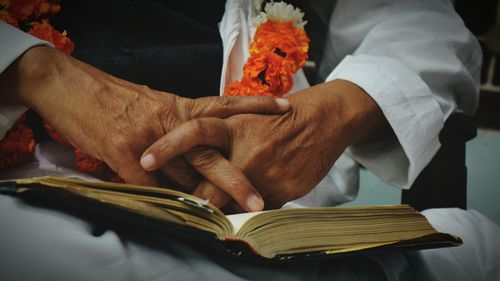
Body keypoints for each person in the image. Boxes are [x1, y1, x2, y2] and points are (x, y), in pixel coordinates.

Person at [1, 0, 499, 280]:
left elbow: (415, 20)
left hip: (272, 228)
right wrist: (35, 70)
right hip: (37, 206)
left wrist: (341, 106)